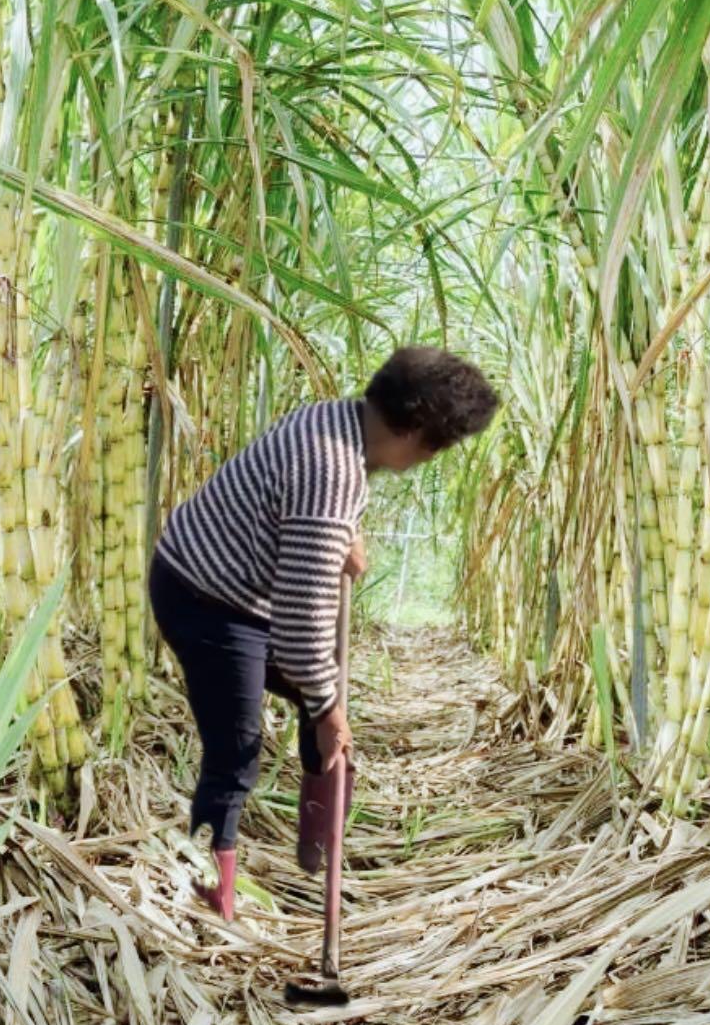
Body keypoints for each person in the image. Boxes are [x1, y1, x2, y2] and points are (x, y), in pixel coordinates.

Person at [148, 345, 499, 919]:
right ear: (416, 435)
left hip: (231, 586)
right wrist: (329, 705)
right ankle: (214, 892)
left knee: (322, 709)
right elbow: (301, 628)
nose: (429, 460)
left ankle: (316, 849)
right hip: (204, 597)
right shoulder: (331, 474)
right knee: (237, 750)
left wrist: (345, 535)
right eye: (438, 447)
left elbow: (308, 513)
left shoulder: (337, 421)